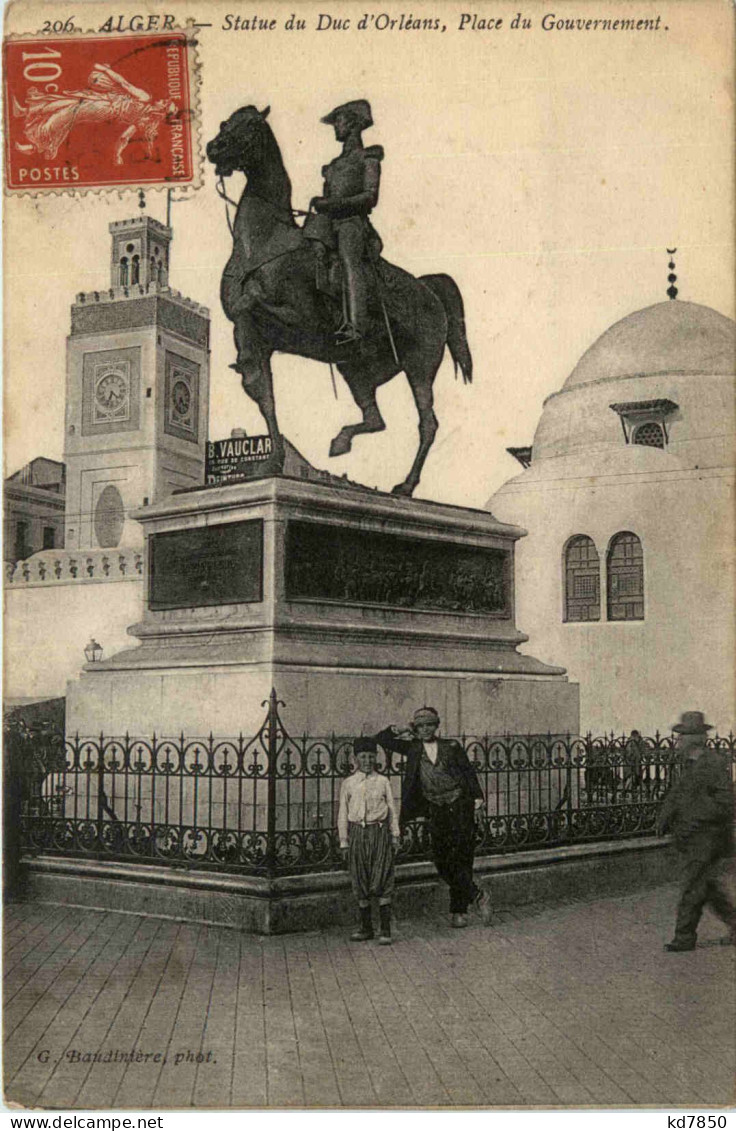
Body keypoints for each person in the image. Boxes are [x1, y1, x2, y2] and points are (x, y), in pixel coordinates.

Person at [375, 706, 492, 928]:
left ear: (436, 726)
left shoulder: (451, 746)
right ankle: (477, 894)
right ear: (416, 728)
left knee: (461, 858)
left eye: (430, 724)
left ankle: (459, 912)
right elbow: (382, 739)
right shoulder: (412, 748)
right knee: (441, 859)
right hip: (435, 808)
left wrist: (477, 802)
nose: (425, 729)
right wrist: (403, 728)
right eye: (420, 725)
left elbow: (468, 773)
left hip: (459, 805)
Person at [657, 710, 735, 952]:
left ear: (694, 739)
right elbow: (679, 797)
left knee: (692, 888)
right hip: (694, 838)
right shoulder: (691, 765)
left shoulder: (713, 763)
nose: (678, 741)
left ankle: (684, 937)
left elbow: (726, 801)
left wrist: (696, 818)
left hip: (708, 837)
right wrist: (663, 820)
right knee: (706, 888)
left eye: (682, 737)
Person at [309, 99, 384, 342]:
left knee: (348, 257)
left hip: (352, 222)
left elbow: (370, 197)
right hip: (327, 222)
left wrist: (332, 205)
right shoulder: (333, 166)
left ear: (352, 124)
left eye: (339, 121)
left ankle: (355, 326)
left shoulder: (368, 157)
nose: (336, 126)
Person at [338, 737, 400, 945]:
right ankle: (366, 928)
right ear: (356, 759)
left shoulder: (382, 781)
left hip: (379, 833)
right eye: (363, 757)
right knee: (360, 877)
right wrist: (344, 841)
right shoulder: (349, 783)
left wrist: (395, 835)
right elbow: (343, 812)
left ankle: (385, 930)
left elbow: (391, 809)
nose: (367, 761)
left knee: (382, 876)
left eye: (371, 757)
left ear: (376, 758)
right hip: (357, 833)